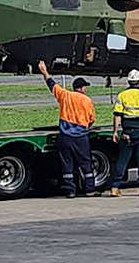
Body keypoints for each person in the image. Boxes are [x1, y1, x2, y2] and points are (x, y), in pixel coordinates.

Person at [37, 60, 98, 198]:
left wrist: (44, 72)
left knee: (67, 165)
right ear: (81, 88)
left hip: (65, 137)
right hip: (80, 137)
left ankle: (70, 191)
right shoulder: (87, 100)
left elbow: (51, 85)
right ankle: (90, 189)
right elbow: (91, 120)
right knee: (86, 164)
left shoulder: (65, 95)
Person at [109, 69, 139, 197]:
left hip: (128, 133)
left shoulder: (122, 96)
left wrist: (115, 131)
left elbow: (117, 115)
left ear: (128, 81)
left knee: (122, 161)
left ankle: (115, 187)